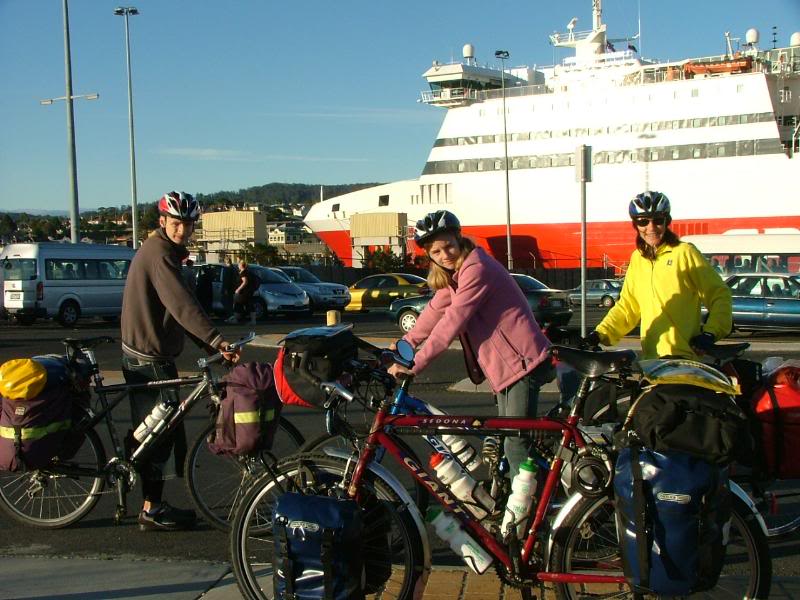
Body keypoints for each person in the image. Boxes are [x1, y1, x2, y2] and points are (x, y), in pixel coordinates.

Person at [386, 210, 553, 479]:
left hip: (523, 363)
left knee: (515, 444)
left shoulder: (476, 269)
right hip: (506, 367)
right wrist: (404, 344)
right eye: (436, 252)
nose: (445, 255)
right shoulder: (455, 275)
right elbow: (433, 313)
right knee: (506, 438)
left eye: (449, 246)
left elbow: (451, 323)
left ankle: (530, 503)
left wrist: (413, 365)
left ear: (459, 239)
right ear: (429, 255)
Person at [120, 191, 240, 532]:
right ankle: (151, 507)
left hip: (149, 351)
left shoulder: (163, 251)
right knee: (160, 432)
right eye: (176, 223)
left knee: (159, 430)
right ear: (163, 221)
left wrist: (209, 343)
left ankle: (142, 479)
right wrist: (216, 340)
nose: (183, 230)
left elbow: (178, 310)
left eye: (188, 225)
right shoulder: (160, 254)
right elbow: (181, 305)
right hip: (148, 356)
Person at [585, 191, 732, 360]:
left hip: (682, 357)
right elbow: (627, 307)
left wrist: (710, 333)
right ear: (635, 225)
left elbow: (719, 294)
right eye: (643, 221)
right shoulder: (638, 258)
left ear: (667, 222)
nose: (651, 228)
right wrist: (600, 334)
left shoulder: (684, 253)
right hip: (652, 360)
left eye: (658, 221)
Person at [227, 260, 258, 325]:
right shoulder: (246, 272)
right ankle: (252, 321)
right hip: (248, 292)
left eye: (239, 264)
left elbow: (245, 282)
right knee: (247, 305)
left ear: (241, 265)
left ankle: (236, 320)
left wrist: (238, 289)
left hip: (243, 293)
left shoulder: (243, 273)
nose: (238, 265)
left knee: (238, 304)